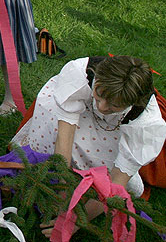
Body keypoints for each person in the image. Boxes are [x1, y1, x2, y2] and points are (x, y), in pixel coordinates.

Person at [12, 56, 166, 237]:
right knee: (53, 131)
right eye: (99, 95)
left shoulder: (146, 123)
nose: (101, 106)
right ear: (97, 77)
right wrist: (64, 186)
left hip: (115, 131)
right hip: (80, 114)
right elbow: (65, 134)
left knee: (109, 174)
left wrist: (73, 222)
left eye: (114, 105)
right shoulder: (81, 74)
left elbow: (115, 183)